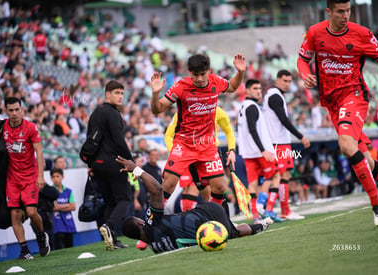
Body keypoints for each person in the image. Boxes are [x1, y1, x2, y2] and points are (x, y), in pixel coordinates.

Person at [297, 0, 378, 225]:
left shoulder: (362, 34)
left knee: (346, 145)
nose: (346, 15)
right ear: (329, 11)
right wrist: (304, 74)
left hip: (354, 96)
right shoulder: (314, 32)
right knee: (367, 162)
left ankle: (377, 205)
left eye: (348, 10)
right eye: (341, 11)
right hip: (332, 103)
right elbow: (302, 60)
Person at [116, 156, 272, 254]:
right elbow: (157, 189)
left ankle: (261, 225)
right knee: (230, 230)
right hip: (208, 212)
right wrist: (136, 169)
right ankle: (261, 224)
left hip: (207, 214)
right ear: (140, 222)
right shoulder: (150, 223)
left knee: (232, 231)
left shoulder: (156, 249)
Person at [150, 53, 245, 209]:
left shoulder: (216, 82)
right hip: (184, 144)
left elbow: (233, 86)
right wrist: (155, 94)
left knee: (219, 187)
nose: (200, 79)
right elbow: (157, 109)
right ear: (189, 72)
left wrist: (240, 73)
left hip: (207, 146)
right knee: (168, 184)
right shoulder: (181, 86)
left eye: (203, 74)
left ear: (209, 71)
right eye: (196, 75)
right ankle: (151, 221)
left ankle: (216, 220)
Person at [86, 80, 133, 250]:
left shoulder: (95, 113)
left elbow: (89, 141)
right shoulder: (113, 114)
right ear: (107, 94)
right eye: (117, 93)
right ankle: (109, 226)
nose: (121, 96)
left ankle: (112, 240)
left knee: (110, 202)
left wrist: (90, 164)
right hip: (113, 162)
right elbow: (119, 141)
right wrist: (131, 161)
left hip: (97, 164)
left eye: (122, 93)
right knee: (125, 199)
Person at [3, 97, 51, 259]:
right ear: (6, 111)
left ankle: (41, 235)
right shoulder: (3, 127)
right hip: (12, 178)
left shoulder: (30, 127)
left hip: (30, 176)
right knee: (15, 214)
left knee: (31, 212)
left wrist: (40, 176)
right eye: (11, 110)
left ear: (22, 109)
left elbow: (39, 152)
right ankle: (24, 250)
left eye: (17, 109)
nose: (15, 113)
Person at [164, 106, 237, 212]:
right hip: (190, 158)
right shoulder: (183, 111)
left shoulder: (217, 110)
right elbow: (168, 135)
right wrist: (176, 154)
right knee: (198, 192)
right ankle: (192, 220)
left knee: (218, 189)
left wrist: (232, 150)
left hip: (211, 156)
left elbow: (229, 131)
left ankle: (222, 220)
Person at [262, 70, 310, 220]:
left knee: (282, 176)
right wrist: (301, 137)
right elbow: (284, 120)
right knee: (281, 176)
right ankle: (281, 210)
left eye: (289, 81)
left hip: (278, 142)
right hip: (278, 142)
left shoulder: (274, 95)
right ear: (277, 80)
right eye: (285, 81)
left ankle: (280, 210)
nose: (287, 84)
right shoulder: (275, 96)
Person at [237, 79, 282, 222]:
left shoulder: (244, 106)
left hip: (248, 152)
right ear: (247, 91)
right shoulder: (252, 107)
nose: (259, 91)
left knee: (253, 184)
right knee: (275, 176)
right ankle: (267, 208)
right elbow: (252, 129)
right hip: (260, 152)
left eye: (260, 89)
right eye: (255, 88)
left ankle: (255, 215)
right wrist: (263, 150)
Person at [51, 168, 77, 250]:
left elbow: (73, 207)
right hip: (57, 224)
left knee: (70, 247)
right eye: (53, 177)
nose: (55, 179)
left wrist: (60, 207)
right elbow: (54, 207)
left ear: (62, 177)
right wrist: (67, 205)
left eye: (57, 176)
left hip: (68, 223)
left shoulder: (68, 191)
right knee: (59, 248)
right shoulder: (50, 191)